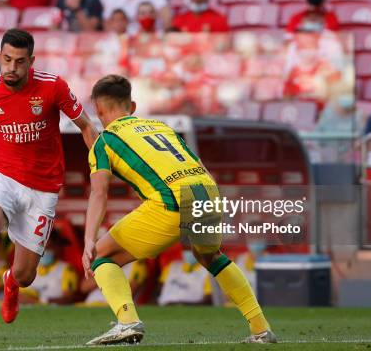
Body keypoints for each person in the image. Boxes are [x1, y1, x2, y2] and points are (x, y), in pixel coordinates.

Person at [81, 75, 276, 345]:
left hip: (171, 203)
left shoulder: (104, 142)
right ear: (132, 107)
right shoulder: (161, 127)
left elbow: (99, 192)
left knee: (101, 256)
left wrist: (89, 240)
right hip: (207, 192)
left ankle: (127, 322)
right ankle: (261, 329)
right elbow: (199, 166)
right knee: (210, 256)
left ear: (99, 111)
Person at [0, 29, 98, 335]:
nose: (11, 67)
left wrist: (100, 163)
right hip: (2, 175)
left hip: (43, 188)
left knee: (26, 274)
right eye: (6, 59)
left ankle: (11, 283)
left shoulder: (53, 87)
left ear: (30, 61)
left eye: (19, 61)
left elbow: (86, 126)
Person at [19, 230, 78, 305]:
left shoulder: (67, 270)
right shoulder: (29, 268)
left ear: (57, 247)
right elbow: (18, 295)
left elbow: (68, 299)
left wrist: (40, 302)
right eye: (41, 247)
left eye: (49, 247)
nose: (44, 251)